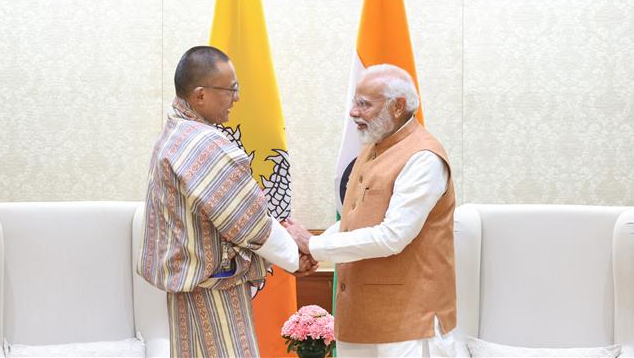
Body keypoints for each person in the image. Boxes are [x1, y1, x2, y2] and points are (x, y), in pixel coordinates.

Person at [137, 45, 315, 358]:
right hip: (213, 292)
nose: (236, 98)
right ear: (200, 95)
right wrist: (296, 256)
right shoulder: (203, 143)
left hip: (194, 289)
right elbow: (251, 223)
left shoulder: (176, 132)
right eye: (230, 89)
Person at [284, 64, 457, 358]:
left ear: (397, 107)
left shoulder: (423, 158)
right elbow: (353, 220)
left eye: (364, 104)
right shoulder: (372, 149)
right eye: (354, 101)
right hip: (359, 319)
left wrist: (313, 244)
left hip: (409, 325)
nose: (353, 112)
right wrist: (312, 248)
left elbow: (393, 236)